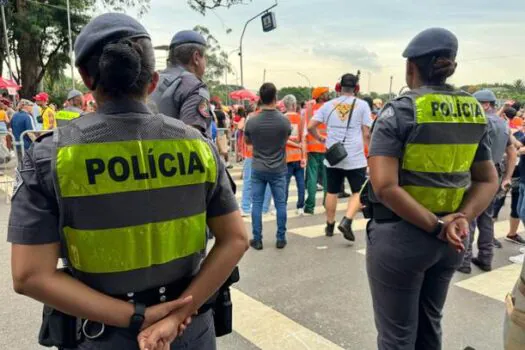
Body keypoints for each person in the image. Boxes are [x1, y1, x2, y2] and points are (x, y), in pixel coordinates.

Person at [8, 13, 248, 350]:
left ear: (86, 77)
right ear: (152, 81)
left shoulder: (50, 155)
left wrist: (135, 316)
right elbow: (236, 238)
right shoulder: (199, 146)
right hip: (189, 333)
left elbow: (29, 276)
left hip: (103, 336)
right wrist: (176, 316)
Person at [366, 28, 498, 350]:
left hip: (403, 235)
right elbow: (488, 179)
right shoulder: (472, 112)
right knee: (430, 325)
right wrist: (461, 219)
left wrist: (436, 226)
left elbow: (384, 186)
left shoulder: (399, 110)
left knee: (397, 336)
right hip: (453, 240)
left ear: (411, 66)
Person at [458, 89, 517, 273]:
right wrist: (507, 177)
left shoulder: (479, 122)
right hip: (496, 174)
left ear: (485, 105)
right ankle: (485, 257)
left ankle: (465, 261)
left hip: (476, 173)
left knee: (468, 215)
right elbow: (512, 152)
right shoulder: (504, 125)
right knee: (487, 217)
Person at [309, 74, 372, 240]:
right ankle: (347, 220)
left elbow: (310, 126)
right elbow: (366, 133)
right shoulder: (363, 105)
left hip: (333, 155)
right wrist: (371, 153)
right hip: (355, 156)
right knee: (358, 191)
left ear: (338, 87)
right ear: (357, 89)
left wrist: (320, 138)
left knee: (332, 191)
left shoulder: (327, 105)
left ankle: (329, 225)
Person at [245, 83, 291, 250]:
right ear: (275, 98)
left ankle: (257, 239)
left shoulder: (252, 121)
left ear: (260, 98)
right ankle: (281, 238)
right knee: (280, 204)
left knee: (256, 203)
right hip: (278, 168)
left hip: (258, 167)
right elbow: (285, 140)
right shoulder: (284, 121)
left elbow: (248, 142)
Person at [150, 30, 213, 138]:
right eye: (204, 57)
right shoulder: (195, 88)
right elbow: (194, 140)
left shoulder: (152, 81)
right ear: (196, 57)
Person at [304, 87, 329, 214]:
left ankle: (310, 206)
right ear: (320, 96)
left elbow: (306, 127)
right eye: (325, 93)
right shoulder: (330, 108)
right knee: (326, 178)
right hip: (326, 147)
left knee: (312, 178)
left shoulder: (309, 109)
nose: (328, 94)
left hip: (312, 147)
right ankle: (327, 203)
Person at [282, 94, 306, 215]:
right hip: (298, 156)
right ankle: (300, 207)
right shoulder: (300, 118)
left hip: (286, 157)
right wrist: (304, 156)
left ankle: (283, 206)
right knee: (301, 183)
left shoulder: (282, 119)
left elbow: (282, 139)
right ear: (294, 105)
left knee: (284, 184)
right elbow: (303, 140)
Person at [10, 99, 36, 166]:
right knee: (28, 165)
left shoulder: (14, 116)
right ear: (26, 106)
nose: (32, 107)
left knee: (20, 164)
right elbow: (30, 133)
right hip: (27, 145)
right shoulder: (27, 117)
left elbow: (11, 128)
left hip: (16, 143)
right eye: (31, 106)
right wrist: (37, 142)